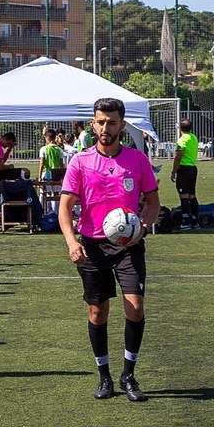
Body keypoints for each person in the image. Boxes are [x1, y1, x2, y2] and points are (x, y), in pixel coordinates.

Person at [58, 98, 160, 402]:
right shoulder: (80, 161)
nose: (106, 128)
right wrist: (72, 242)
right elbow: (65, 208)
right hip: (91, 246)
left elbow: (153, 203)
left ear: (122, 125)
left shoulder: (137, 160)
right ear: (93, 124)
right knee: (96, 311)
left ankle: (128, 375)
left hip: (129, 245)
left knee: (135, 306)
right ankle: (104, 376)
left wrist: (141, 227)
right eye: (100, 122)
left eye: (112, 122)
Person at [170, 118, 199, 230]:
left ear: (180, 128)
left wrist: (173, 171)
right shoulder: (194, 138)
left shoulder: (182, 140)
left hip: (184, 169)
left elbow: (178, 157)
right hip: (193, 168)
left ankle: (186, 222)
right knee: (192, 195)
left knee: (184, 196)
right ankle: (195, 221)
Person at [39, 128, 66, 215]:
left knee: (47, 194)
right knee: (56, 194)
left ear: (48, 138)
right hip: (57, 174)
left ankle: (47, 212)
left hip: (47, 174)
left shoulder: (44, 149)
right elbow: (62, 165)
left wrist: (39, 176)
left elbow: (42, 163)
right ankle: (56, 212)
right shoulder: (59, 149)